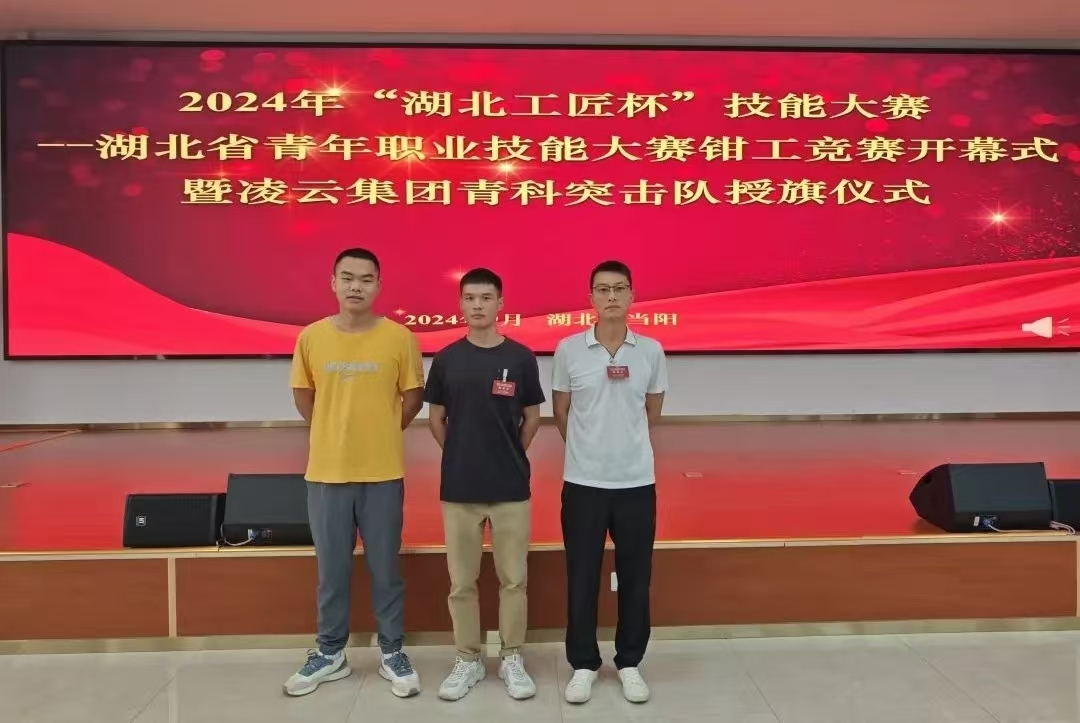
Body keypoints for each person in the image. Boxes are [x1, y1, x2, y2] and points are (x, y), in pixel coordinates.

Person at [284, 247, 425, 698]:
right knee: (332, 570)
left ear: (379, 286)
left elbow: (412, 398)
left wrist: (381, 431)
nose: (356, 286)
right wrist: (332, 431)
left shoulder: (400, 338)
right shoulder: (311, 337)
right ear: (333, 283)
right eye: (347, 277)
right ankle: (330, 653)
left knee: (386, 568)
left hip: (382, 472)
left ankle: (392, 650)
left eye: (366, 279)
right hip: (327, 472)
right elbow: (304, 396)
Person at [424, 268, 546, 701]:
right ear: (460, 304)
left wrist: (508, 453)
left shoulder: (521, 357)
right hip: (459, 488)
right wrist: (460, 453)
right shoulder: (446, 359)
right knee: (462, 582)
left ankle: (511, 656)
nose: (478, 305)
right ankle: (468, 658)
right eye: (470, 297)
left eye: (486, 297)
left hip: (510, 487)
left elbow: (532, 418)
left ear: (500, 304)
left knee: (514, 579)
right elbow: (436, 419)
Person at [551, 260, 668, 705]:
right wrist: (590, 450)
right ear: (591, 298)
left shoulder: (651, 350)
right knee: (582, 576)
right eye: (603, 289)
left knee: (636, 576)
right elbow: (562, 412)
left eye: (620, 289)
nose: (612, 296)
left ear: (632, 295)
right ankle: (583, 663)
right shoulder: (569, 349)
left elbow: (652, 411)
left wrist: (622, 446)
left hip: (636, 482)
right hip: (583, 482)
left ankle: (630, 661)